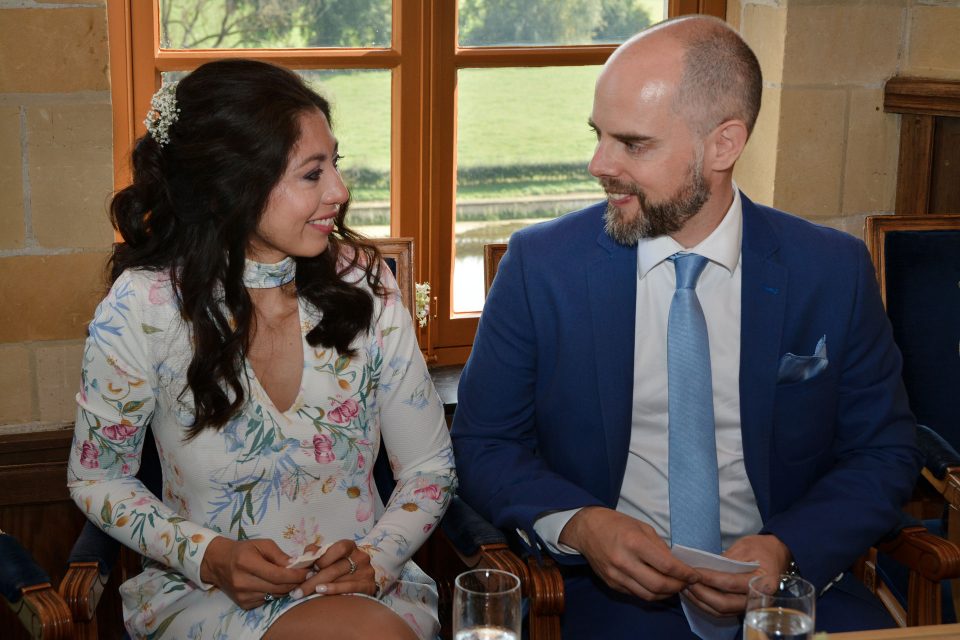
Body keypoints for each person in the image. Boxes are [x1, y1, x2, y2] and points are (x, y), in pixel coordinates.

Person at [451, 15, 920, 639]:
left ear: (723, 145)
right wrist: (582, 524)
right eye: (598, 136)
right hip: (608, 606)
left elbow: (884, 453)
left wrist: (786, 548)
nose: (599, 163)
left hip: (792, 601)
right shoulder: (542, 267)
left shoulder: (830, 272)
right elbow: (485, 444)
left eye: (633, 143)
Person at [67, 59, 456, 640]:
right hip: (204, 597)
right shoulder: (142, 308)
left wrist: (379, 557)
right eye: (311, 174)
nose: (340, 192)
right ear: (233, 185)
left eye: (336, 165)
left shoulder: (366, 288)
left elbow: (429, 469)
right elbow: (96, 478)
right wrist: (208, 554)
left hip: (369, 593)